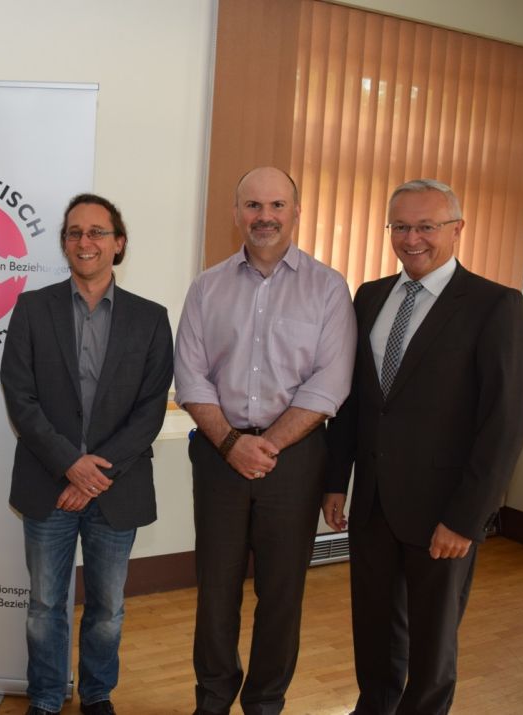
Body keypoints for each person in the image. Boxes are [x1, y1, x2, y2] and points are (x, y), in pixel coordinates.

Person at [323, 179, 523, 714]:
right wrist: (334, 484)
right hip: (371, 505)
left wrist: (467, 518)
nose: (411, 238)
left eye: (426, 226)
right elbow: (355, 402)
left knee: (432, 646)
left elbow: (503, 424)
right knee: (373, 630)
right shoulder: (368, 296)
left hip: (444, 512)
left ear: (457, 229)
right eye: (401, 226)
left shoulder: (496, 305)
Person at [174, 167, 357, 715]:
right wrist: (232, 444)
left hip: (295, 461)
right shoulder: (207, 286)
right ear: (236, 214)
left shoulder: (327, 287)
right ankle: (212, 698)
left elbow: (330, 383)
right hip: (217, 456)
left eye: (277, 205)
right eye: (253, 205)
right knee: (216, 592)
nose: (265, 216)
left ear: (296, 213)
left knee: (281, 595)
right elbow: (191, 377)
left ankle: (265, 702)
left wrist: (267, 445)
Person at [0, 194, 174, 715]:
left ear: (118, 244)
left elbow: (150, 410)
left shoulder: (151, 318)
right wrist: (68, 465)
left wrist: (94, 472)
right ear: (65, 243)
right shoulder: (32, 308)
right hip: (47, 481)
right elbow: (19, 397)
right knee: (45, 604)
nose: (85, 242)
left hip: (116, 489)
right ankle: (48, 697)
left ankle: (97, 694)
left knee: (108, 608)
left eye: (98, 232)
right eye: (75, 232)